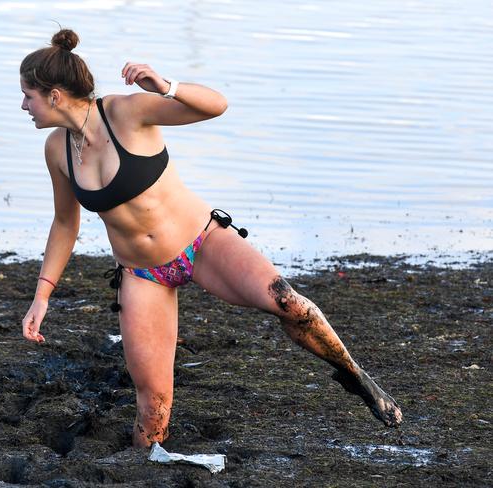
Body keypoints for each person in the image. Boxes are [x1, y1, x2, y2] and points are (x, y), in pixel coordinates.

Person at [20, 29, 403, 448]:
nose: (24, 106)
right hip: (143, 274)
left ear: (55, 95)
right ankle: (146, 466)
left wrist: (166, 86)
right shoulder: (57, 149)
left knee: (288, 303)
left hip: (202, 242)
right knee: (153, 405)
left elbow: (216, 106)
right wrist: (42, 297)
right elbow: (64, 223)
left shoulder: (126, 112)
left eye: (29, 96)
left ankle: (355, 375)